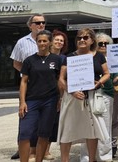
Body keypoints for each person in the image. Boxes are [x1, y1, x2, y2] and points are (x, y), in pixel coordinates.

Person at [57, 28, 110, 162]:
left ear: (92, 40)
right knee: (67, 129)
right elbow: (61, 79)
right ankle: (65, 160)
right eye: (79, 37)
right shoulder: (69, 57)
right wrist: (72, 91)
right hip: (72, 97)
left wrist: (98, 83)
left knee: (92, 130)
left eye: (85, 37)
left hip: (92, 97)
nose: (82, 40)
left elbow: (106, 74)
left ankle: (92, 159)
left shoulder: (98, 56)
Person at [18, 29, 63, 162]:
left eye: (45, 41)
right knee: (24, 133)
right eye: (39, 41)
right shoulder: (29, 60)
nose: (42, 43)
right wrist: (22, 101)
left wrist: (60, 99)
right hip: (31, 100)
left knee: (44, 134)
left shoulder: (57, 60)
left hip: (50, 101)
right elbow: (24, 81)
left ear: (50, 43)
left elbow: (60, 81)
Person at [11, 14, 46, 160]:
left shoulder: (47, 39)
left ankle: (38, 150)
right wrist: (28, 74)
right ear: (30, 25)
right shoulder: (21, 42)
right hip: (29, 85)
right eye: (37, 23)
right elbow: (16, 63)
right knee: (25, 116)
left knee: (43, 120)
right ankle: (22, 149)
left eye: (43, 22)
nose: (41, 25)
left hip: (45, 86)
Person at [79, 32, 115, 162]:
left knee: (104, 126)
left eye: (107, 44)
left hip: (106, 93)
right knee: (87, 126)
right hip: (87, 94)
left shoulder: (114, 57)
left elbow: (112, 76)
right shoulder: (84, 55)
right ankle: (87, 156)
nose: (104, 45)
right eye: (101, 43)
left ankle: (104, 157)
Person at [45, 29, 69, 161]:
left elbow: (64, 79)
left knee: (53, 122)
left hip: (57, 93)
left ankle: (46, 150)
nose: (59, 42)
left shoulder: (64, 59)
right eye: (57, 40)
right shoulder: (43, 56)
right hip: (42, 92)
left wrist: (61, 97)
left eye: (62, 41)